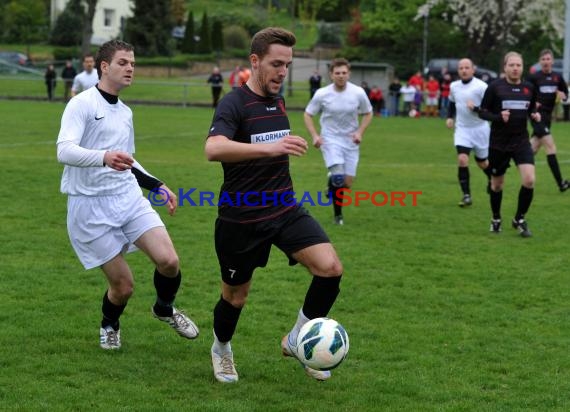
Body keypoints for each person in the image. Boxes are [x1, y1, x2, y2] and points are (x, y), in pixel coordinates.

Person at [205, 27, 343, 383]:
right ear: (255, 61)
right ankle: (221, 349)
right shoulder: (233, 103)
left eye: (287, 65)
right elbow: (214, 149)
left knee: (330, 269)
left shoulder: (277, 101)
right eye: (276, 64)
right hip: (241, 217)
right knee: (235, 298)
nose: (283, 72)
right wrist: (270, 148)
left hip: (284, 208)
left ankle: (298, 340)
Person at [56, 40, 199, 350]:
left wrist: (157, 184)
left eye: (133, 63)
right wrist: (103, 156)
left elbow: (128, 160)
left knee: (170, 261)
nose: (130, 68)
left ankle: (164, 308)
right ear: (104, 67)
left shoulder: (125, 112)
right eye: (123, 62)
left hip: (128, 198)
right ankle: (110, 324)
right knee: (123, 287)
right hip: (89, 207)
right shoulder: (81, 104)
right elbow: (64, 150)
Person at [304, 58, 373, 225]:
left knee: (347, 183)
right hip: (330, 139)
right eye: (337, 73)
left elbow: (368, 113)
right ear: (331, 75)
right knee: (338, 179)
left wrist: (359, 132)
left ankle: (331, 181)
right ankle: (338, 216)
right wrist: (315, 136)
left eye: (344, 73)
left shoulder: (358, 92)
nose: (341, 76)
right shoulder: (322, 94)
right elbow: (308, 114)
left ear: (349, 74)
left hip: (350, 141)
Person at [478, 51, 540, 237]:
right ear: (505, 67)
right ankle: (496, 218)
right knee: (496, 185)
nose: (515, 68)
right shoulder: (495, 87)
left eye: (518, 65)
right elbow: (482, 112)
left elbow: (530, 110)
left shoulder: (529, 88)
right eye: (511, 65)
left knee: (529, 180)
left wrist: (534, 116)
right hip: (499, 143)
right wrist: (498, 117)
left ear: (522, 67)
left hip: (521, 141)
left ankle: (519, 219)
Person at [446, 58, 492, 207]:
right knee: (462, 160)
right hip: (462, 129)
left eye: (467, 67)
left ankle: (492, 178)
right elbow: (452, 103)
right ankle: (466, 196)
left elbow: (491, 109)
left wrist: (477, 109)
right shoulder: (454, 86)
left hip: (480, 129)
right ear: (458, 70)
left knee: (483, 163)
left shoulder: (482, 87)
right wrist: (449, 117)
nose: (464, 70)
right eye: (461, 68)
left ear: (473, 69)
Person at [526, 48, 570, 192]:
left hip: (548, 117)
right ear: (540, 61)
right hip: (536, 115)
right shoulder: (534, 77)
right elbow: (525, 93)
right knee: (550, 146)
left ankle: (508, 160)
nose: (545, 61)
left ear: (552, 61)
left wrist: (563, 96)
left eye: (548, 59)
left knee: (532, 148)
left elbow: (565, 93)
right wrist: (533, 103)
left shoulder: (557, 77)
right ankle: (561, 183)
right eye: (543, 59)